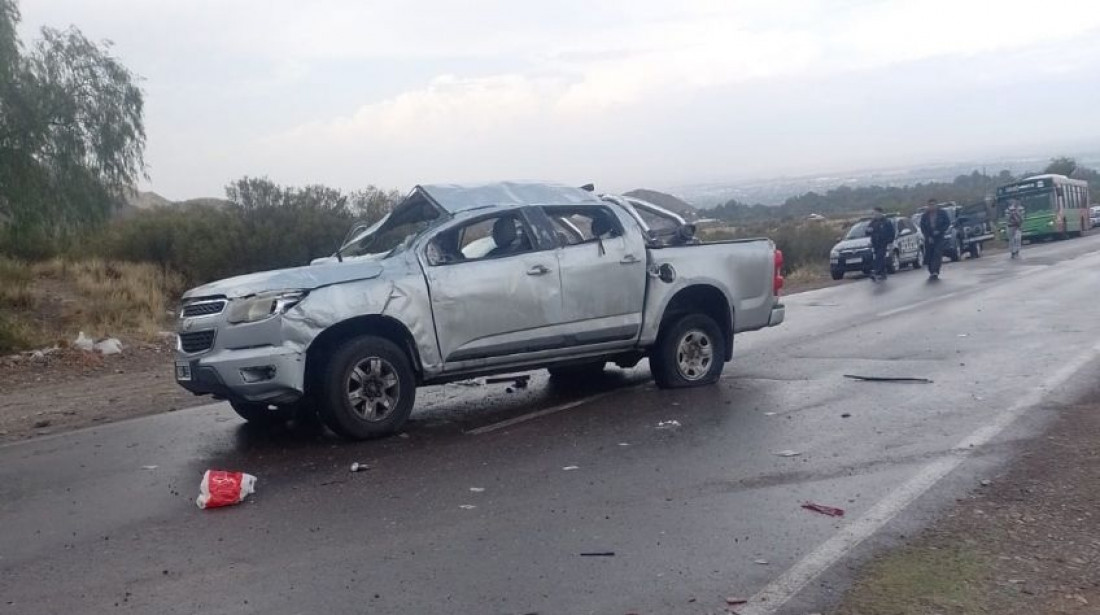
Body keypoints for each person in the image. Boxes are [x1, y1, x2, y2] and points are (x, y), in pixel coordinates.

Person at [919, 198, 950, 280]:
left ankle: (935, 271)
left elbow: (947, 223)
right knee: (930, 254)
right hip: (929, 237)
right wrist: (928, 236)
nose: (931, 206)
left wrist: (940, 231)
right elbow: (922, 227)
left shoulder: (942, 213)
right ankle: (931, 270)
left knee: (937, 253)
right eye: (930, 205)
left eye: (933, 204)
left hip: (939, 236)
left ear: (936, 205)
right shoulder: (925, 216)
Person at [865, 207, 896, 281]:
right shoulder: (873, 222)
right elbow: (867, 232)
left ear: (880, 213)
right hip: (875, 243)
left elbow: (892, 232)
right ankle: (882, 273)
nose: (874, 214)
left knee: (880, 257)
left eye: (875, 213)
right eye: (874, 213)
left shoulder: (886, 222)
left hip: (883, 243)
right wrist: (869, 231)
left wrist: (890, 241)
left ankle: (876, 272)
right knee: (878, 258)